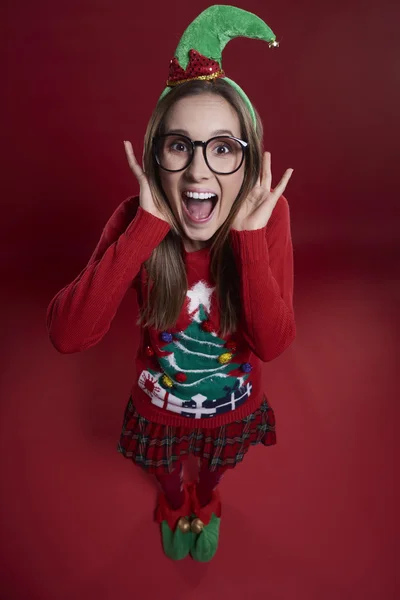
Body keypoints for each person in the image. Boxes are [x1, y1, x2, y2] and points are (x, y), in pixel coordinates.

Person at [46, 5, 296, 562]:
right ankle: (169, 502)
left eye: (224, 148)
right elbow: (67, 334)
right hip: (157, 407)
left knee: (213, 473)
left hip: (235, 408)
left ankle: (203, 504)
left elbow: (274, 343)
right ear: (156, 155)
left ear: (249, 163)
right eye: (180, 144)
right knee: (162, 471)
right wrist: (147, 227)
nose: (200, 171)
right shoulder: (137, 223)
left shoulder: (268, 219)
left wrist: (251, 240)